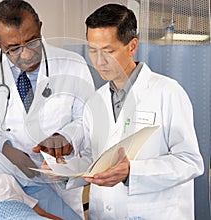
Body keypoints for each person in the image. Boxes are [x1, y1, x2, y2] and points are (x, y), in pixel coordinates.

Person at [0, 0, 94, 218]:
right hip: (4, 171)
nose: (27, 54)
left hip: (57, 173)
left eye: (32, 42)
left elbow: (87, 118)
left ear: (40, 27)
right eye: (14, 48)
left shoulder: (73, 63)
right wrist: (7, 150)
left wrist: (66, 136)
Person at [81, 3, 204, 220]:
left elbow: (190, 162)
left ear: (132, 46)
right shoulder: (94, 102)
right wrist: (63, 167)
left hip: (156, 213)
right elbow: (92, 159)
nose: (99, 61)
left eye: (108, 51)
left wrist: (132, 172)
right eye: (92, 50)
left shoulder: (168, 92)